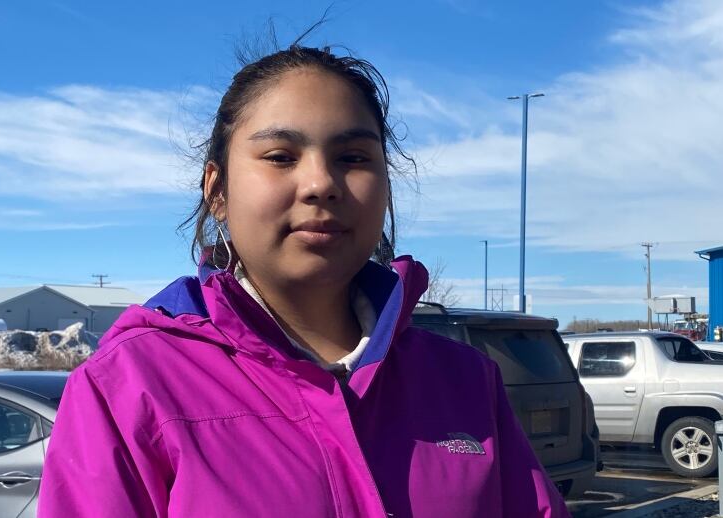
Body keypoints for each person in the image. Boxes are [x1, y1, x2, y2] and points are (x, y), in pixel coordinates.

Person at [38, 38, 569, 518]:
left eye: (352, 157)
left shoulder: (465, 380)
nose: (320, 183)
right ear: (216, 190)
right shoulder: (130, 386)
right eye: (280, 156)